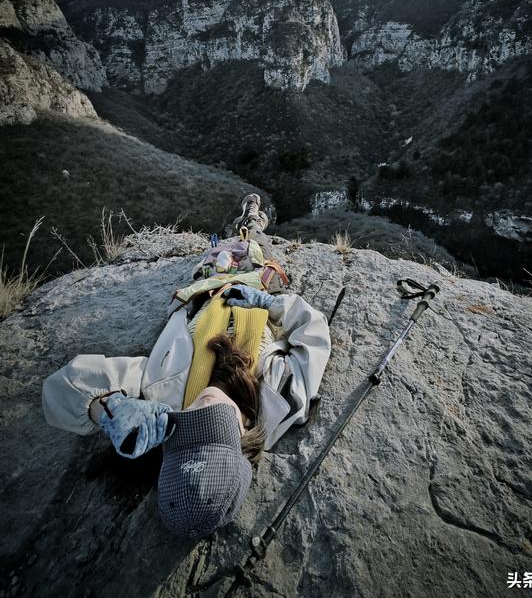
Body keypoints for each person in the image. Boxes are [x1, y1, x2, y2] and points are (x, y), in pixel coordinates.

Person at [42, 195, 331, 538]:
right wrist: (270, 304)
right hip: (257, 283)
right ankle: (255, 219)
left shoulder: (160, 391)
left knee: (222, 249)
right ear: (243, 441)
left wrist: (107, 410)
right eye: (212, 425)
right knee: (254, 244)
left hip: (205, 287)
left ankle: (247, 217)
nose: (202, 407)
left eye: (190, 425)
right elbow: (313, 330)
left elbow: (62, 387)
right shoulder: (283, 398)